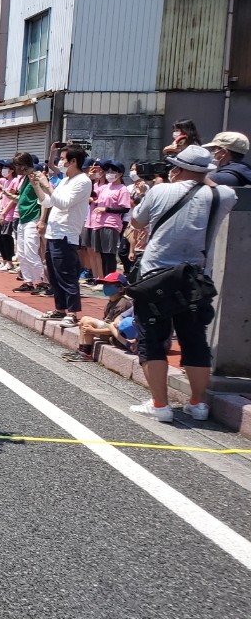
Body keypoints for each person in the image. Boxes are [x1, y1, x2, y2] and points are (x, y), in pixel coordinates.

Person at [127, 146, 235, 423]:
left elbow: (137, 221)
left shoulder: (160, 191)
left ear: (177, 167)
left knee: (152, 339)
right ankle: (198, 404)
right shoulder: (222, 194)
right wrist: (204, 175)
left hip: (156, 276)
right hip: (195, 279)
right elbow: (215, 186)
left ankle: (160, 404)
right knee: (194, 339)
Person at [29, 144, 93, 328]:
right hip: (53, 232)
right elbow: (48, 201)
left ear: (74, 161)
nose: (61, 162)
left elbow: (64, 203)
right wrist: (38, 186)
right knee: (54, 274)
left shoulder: (83, 181)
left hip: (66, 234)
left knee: (66, 274)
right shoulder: (65, 180)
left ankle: (72, 313)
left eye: (64, 159)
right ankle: (60, 309)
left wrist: (47, 185)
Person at [63, 271, 135, 362]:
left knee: (88, 322)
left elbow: (115, 329)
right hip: (110, 332)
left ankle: (86, 354)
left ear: (120, 289)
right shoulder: (111, 302)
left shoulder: (123, 304)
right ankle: (82, 351)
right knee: (84, 320)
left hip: (117, 337)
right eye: (104, 284)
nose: (105, 286)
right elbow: (107, 323)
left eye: (109, 284)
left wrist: (93, 330)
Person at [87, 160, 132, 280]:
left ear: (120, 174)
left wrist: (106, 209)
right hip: (98, 223)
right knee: (101, 254)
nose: (110, 173)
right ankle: (104, 279)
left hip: (110, 224)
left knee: (109, 254)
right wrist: (91, 180)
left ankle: (111, 280)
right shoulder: (105, 187)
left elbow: (125, 209)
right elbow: (92, 194)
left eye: (113, 171)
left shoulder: (122, 189)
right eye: (109, 171)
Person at [10, 153, 46, 292]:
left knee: (31, 251)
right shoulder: (25, 179)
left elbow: (44, 200)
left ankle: (40, 281)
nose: (15, 168)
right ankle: (28, 280)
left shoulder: (36, 177)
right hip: (23, 218)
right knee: (22, 252)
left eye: (16, 165)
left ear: (23, 165)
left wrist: (42, 220)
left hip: (33, 217)